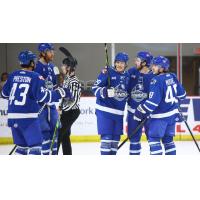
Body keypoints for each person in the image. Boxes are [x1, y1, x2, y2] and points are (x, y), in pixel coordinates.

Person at [1, 50, 71, 155]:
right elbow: (45, 97)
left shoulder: (12, 75)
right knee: (36, 147)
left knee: (22, 148)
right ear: (31, 62)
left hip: (12, 118)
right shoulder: (35, 77)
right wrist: (61, 92)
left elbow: (4, 94)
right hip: (28, 119)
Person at [133, 56, 186, 155]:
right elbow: (182, 95)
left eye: (155, 66)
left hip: (159, 117)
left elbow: (152, 103)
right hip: (171, 116)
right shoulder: (173, 76)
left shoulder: (156, 80)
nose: (152, 67)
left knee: (154, 140)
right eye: (152, 65)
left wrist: (139, 112)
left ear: (162, 68)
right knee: (168, 141)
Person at [92, 52, 129, 155]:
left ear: (126, 64)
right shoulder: (107, 72)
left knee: (115, 141)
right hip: (105, 112)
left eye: (122, 63)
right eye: (117, 62)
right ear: (115, 63)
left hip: (118, 114)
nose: (119, 65)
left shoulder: (127, 76)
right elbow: (94, 88)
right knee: (107, 140)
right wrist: (105, 91)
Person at [127, 51, 154, 155]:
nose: (135, 62)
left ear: (144, 63)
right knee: (133, 140)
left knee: (153, 140)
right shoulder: (131, 72)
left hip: (149, 115)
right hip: (133, 113)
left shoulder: (154, 76)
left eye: (137, 60)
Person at [34, 43, 60, 155]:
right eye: (50, 51)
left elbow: (54, 86)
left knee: (55, 131)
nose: (52, 53)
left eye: (53, 51)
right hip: (40, 106)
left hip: (51, 106)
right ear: (43, 53)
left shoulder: (52, 67)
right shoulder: (35, 68)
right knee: (44, 133)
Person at [57, 56, 81, 155]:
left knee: (59, 134)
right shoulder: (67, 79)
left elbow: (73, 101)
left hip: (72, 112)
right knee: (65, 135)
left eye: (64, 65)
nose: (62, 67)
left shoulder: (74, 81)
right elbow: (65, 96)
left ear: (69, 67)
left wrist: (63, 109)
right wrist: (60, 106)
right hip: (67, 111)